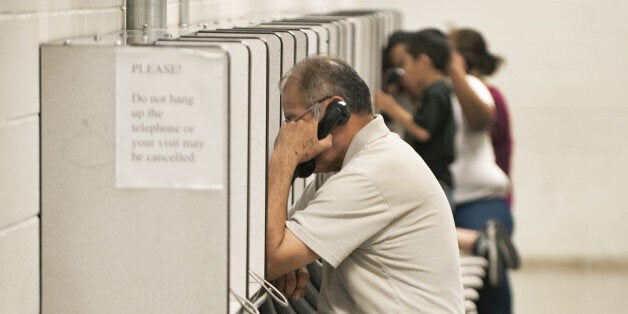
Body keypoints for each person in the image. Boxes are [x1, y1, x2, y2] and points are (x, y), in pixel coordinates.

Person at [266, 55, 464, 313]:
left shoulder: (371, 173)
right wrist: (290, 259)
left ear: (333, 113)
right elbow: (280, 242)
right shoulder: (350, 163)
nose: (288, 133)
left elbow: (271, 258)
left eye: (293, 120)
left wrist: (283, 159)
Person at [448, 28, 519, 314]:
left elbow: (495, 145)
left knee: (491, 273)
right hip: (466, 195)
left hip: (485, 196)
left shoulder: (487, 96)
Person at [376, 29, 456, 209]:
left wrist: (391, 107)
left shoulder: (436, 91)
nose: (404, 71)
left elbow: (422, 131)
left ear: (423, 62)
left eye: (407, 63)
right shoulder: (434, 90)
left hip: (437, 182)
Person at [451, 27, 514, 207]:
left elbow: (501, 148)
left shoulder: (489, 96)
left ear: (466, 59)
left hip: (488, 191)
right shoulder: (457, 94)